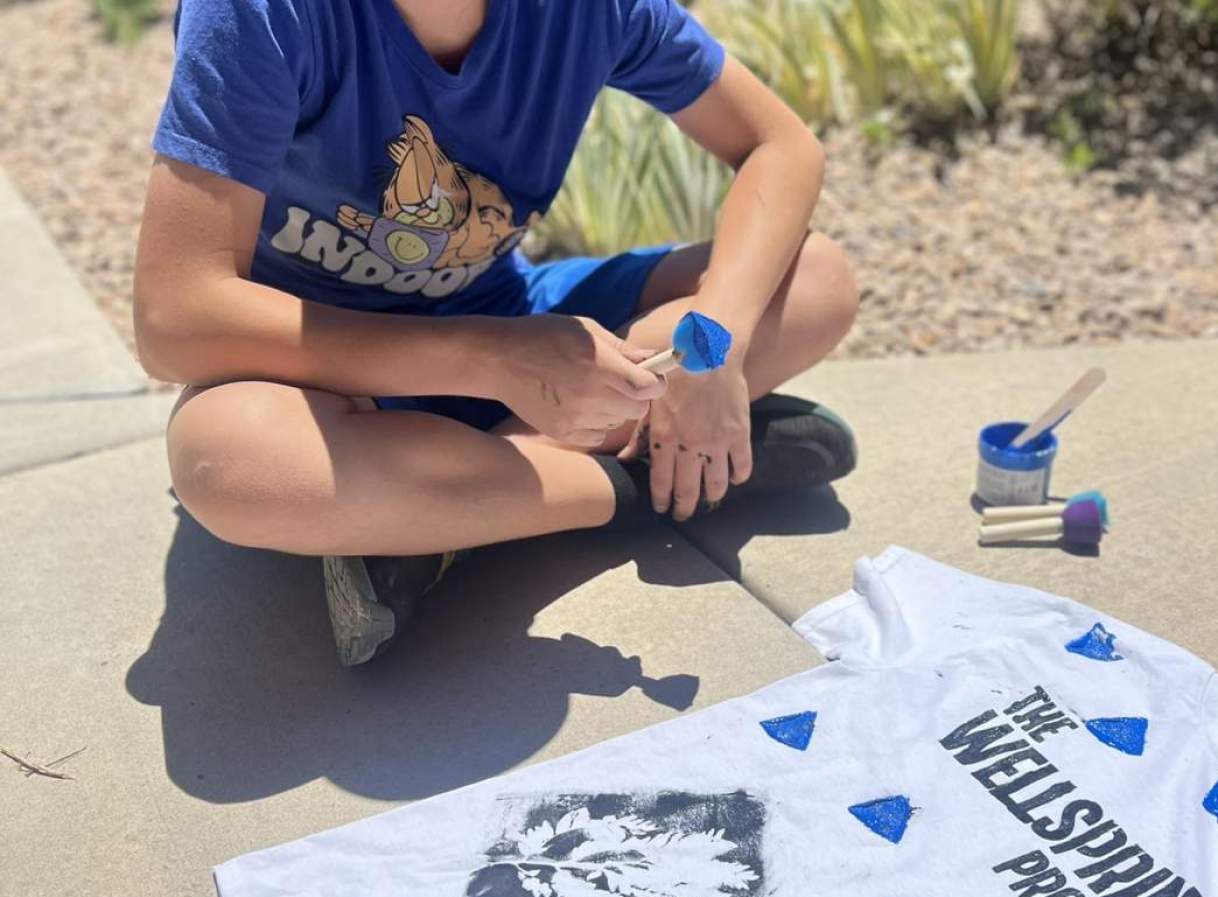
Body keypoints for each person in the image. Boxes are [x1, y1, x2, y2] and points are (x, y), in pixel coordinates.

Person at [134, 0, 860, 666]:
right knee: (226, 464)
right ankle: (634, 482)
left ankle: (450, 516)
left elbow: (781, 146)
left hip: (516, 322)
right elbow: (176, 318)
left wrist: (712, 346)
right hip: (330, 376)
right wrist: (488, 360)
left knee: (816, 281)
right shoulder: (264, 12)